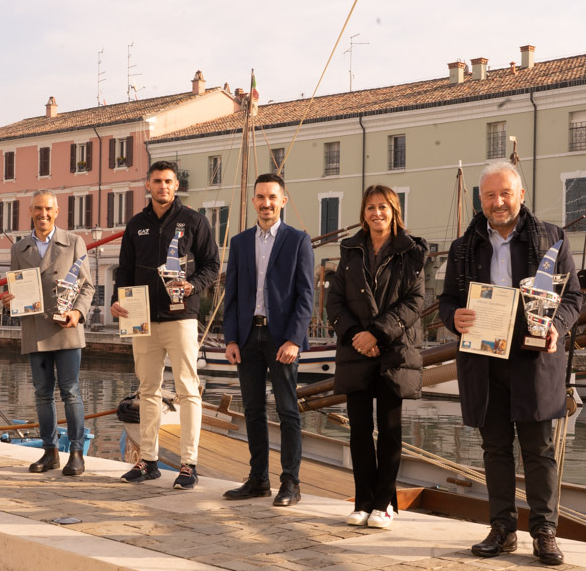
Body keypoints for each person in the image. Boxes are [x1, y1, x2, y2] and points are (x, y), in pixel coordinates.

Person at [439, 162, 582, 565]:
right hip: (484, 362)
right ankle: (502, 529)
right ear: (480, 200)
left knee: (538, 450)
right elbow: (447, 301)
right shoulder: (463, 247)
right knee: (496, 449)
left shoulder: (552, 239)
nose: (498, 202)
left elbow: (573, 298)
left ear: (520, 195)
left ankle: (544, 532)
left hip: (534, 360)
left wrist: (558, 327)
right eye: (489, 195)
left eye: (505, 194)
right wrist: (454, 318)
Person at [110, 160, 220, 489]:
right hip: (141, 319)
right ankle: (149, 461)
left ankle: (189, 465)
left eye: (168, 181)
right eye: (157, 181)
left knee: (188, 389)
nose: (163, 187)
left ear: (176, 186)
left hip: (181, 316)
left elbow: (212, 265)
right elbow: (124, 270)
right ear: (148, 184)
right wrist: (117, 299)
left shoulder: (194, 221)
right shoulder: (136, 225)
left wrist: (193, 286)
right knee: (148, 390)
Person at [326, 185, 427, 529]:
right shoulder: (350, 251)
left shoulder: (411, 252)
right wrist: (357, 336)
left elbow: (415, 301)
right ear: (363, 213)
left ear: (394, 211)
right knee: (358, 431)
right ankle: (363, 500)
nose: (376, 213)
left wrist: (379, 333)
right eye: (370, 207)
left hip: (394, 352)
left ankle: (385, 503)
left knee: (389, 430)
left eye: (383, 207)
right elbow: (335, 301)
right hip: (357, 352)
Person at [221, 173, 314, 507]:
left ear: (283, 201)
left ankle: (290, 482)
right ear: (253, 201)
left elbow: (306, 296)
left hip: (281, 340)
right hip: (247, 338)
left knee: (288, 410)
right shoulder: (241, 242)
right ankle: (258, 479)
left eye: (272, 197)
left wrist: (293, 339)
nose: (266, 203)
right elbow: (230, 295)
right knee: (252, 410)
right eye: (260, 197)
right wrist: (230, 337)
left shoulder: (298, 241)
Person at [3, 191, 93, 476]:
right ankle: (50, 451)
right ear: (30, 211)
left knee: (70, 391)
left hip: (67, 329)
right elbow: (17, 288)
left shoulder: (74, 242)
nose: (43, 214)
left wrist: (77, 314)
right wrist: (10, 300)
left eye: (48, 209)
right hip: (34, 328)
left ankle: (76, 453)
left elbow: (87, 286)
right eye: (38, 209)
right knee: (42, 394)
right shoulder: (19, 249)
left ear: (57, 212)